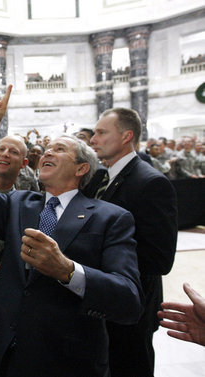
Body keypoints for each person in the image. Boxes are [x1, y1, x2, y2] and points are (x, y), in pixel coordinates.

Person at [0, 86, 143, 377]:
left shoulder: (111, 218)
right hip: (0, 349)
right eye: (47, 149)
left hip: (64, 357)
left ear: (81, 169)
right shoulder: (18, 203)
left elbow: (128, 299)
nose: (48, 152)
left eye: (60, 149)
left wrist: (67, 270)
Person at [87, 107, 178, 376]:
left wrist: (96, 262)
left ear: (127, 136)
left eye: (101, 133)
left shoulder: (150, 183)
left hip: (131, 308)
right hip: (103, 303)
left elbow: (160, 259)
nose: (93, 139)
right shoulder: (100, 179)